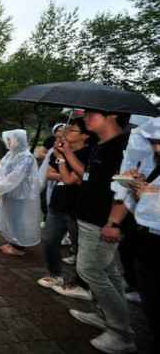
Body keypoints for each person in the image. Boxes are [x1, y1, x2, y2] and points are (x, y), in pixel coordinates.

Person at [66, 110, 135, 353]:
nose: (84, 118)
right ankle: (105, 315)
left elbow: (126, 189)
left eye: (91, 113)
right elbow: (86, 177)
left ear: (113, 115)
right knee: (108, 270)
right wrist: (65, 151)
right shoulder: (100, 144)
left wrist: (113, 223)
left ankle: (122, 333)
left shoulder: (122, 148)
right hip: (88, 218)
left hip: (101, 222)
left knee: (89, 269)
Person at [37, 119, 93, 300]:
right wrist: (67, 170)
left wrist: (62, 160)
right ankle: (55, 274)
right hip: (57, 203)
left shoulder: (88, 153)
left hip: (76, 207)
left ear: (85, 135)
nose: (65, 132)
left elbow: (72, 179)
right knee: (51, 241)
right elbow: (50, 174)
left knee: (79, 248)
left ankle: (81, 283)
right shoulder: (58, 151)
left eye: (72, 130)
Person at [118, 117, 160, 352]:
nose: (156, 148)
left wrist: (149, 195)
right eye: (154, 142)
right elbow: (145, 203)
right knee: (152, 312)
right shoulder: (155, 165)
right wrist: (138, 188)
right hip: (147, 243)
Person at [0, 129, 42, 256]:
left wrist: (1, 184)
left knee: (18, 219)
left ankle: (19, 247)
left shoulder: (26, 156)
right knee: (9, 218)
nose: (9, 142)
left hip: (20, 194)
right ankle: (12, 241)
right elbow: (2, 170)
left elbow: (17, 175)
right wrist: (0, 183)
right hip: (10, 192)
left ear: (20, 140)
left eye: (11, 139)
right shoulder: (11, 154)